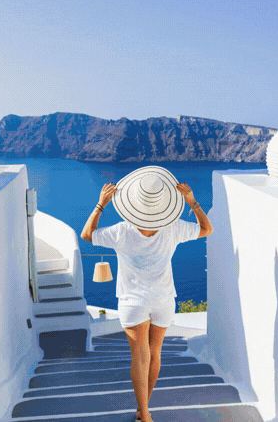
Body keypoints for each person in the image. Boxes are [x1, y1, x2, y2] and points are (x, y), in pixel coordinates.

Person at [81, 166, 213, 422]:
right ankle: (143, 411)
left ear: (133, 203)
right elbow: (206, 229)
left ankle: (146, 414)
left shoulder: (121, 231)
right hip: (163, 300)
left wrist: (100, 204)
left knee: (139, 357)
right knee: (155, 353)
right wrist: (192, 201)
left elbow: (88, 234)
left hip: (133, 302)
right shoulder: (173, 228)